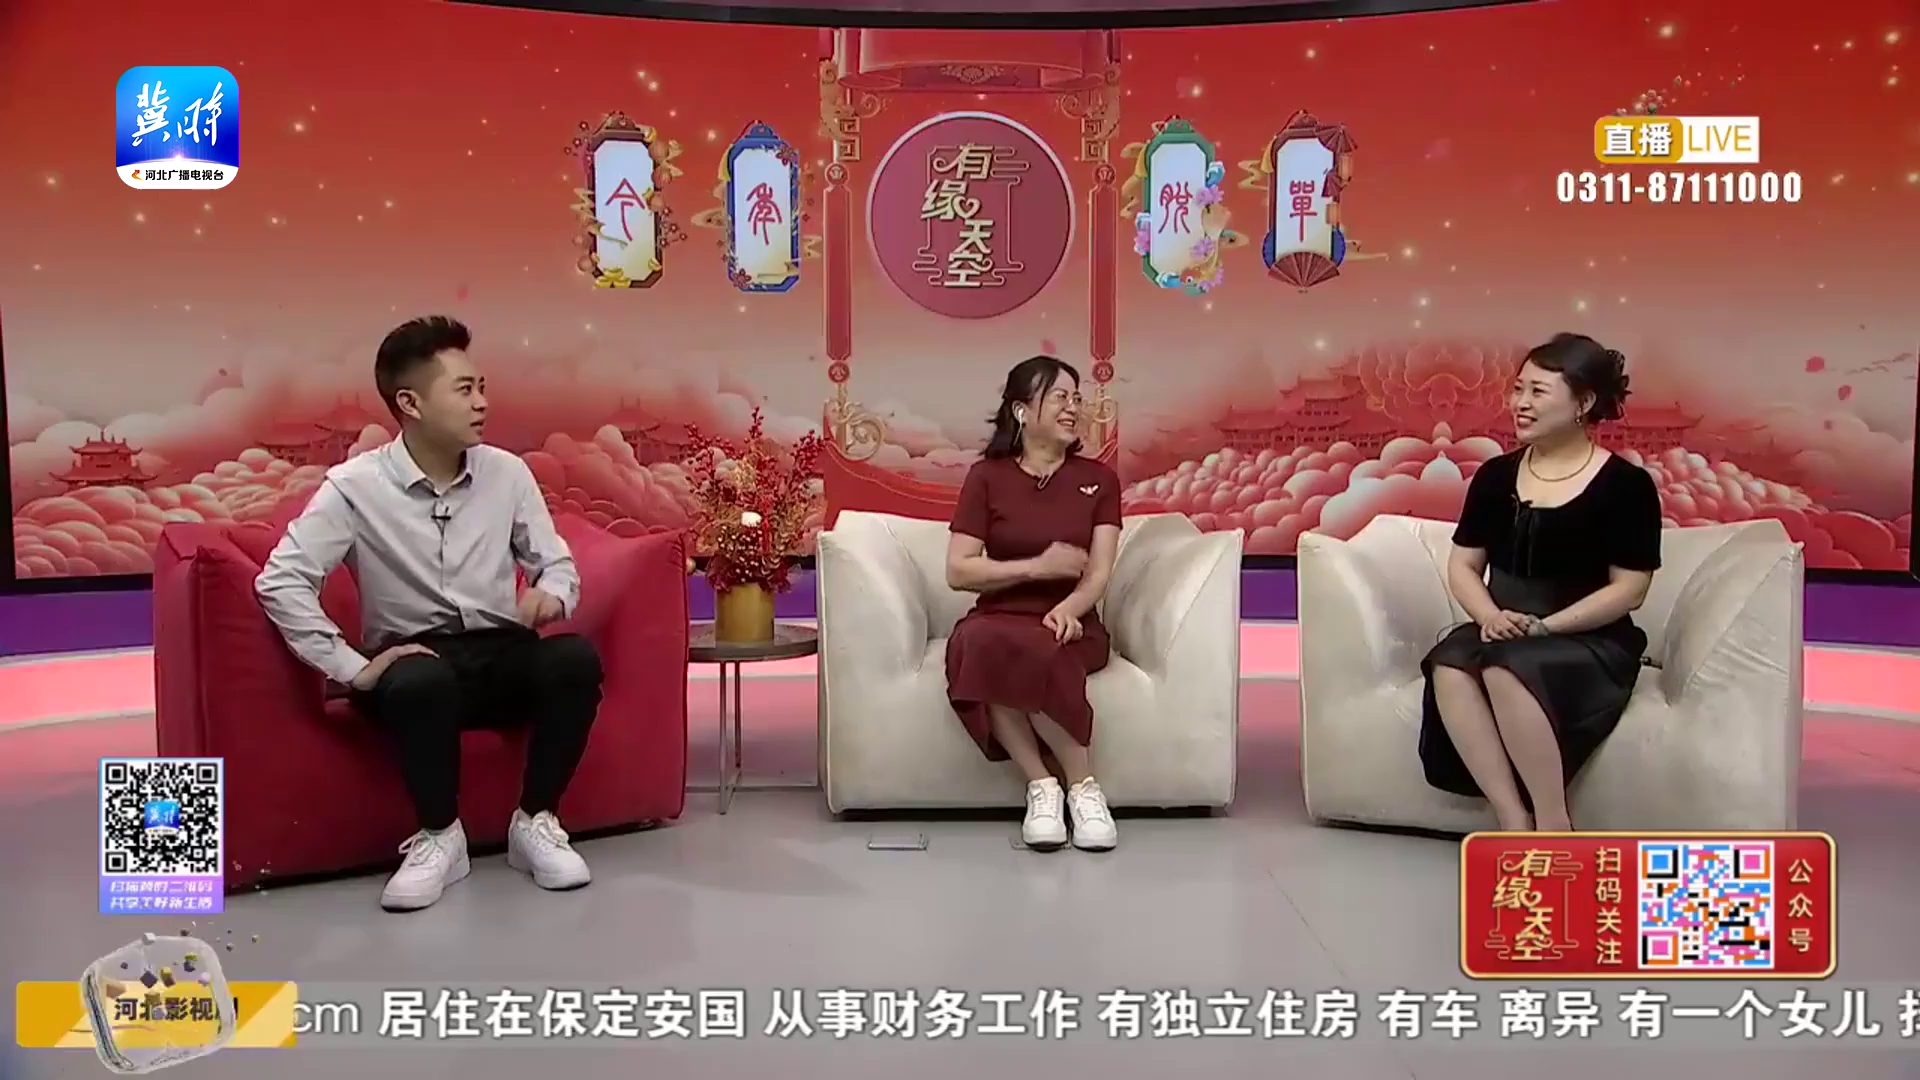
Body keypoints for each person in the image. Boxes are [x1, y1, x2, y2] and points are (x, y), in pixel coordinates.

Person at [255, 316, 604, 910]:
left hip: (500, 652)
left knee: (573, 660)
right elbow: (281, 581)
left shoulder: (507, 473)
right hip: (414, 667)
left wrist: (552, 595)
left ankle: (536, 823)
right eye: (465, 390)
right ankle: (441, 838)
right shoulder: (353, 487)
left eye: (482, 387)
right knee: (421, 680)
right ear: (410, 403)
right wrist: (351, 667)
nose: (482, 403)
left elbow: (557, 565)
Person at [1418, 333, 1663, 832]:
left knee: (1507, 667)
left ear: (1583, 403)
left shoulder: (1626, 486)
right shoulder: (1494, 477)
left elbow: (1630, 589)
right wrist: (1489, 617)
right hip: (1504, 626)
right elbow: (1463, 566)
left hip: (1587, 635)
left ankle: (1554, 822)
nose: (1520, 404)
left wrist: (1548, 627)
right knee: (1450, 663)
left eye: (1537, 392)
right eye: (1518, 389)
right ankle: (1512, 819)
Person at [945, 356, 1123, 852]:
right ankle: (1043, 786)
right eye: (1060, 397)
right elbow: (958, 570)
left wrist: (1071, 607)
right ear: (1022, 411)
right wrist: (1036, 568)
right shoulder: (986, 478)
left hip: (1072, 621)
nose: (1073, 408)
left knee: (1038, 646)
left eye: (1076, 398)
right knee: (982, 642)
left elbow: (1099, 571)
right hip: (1001, 614)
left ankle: (1084, 789)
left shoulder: (1099, 480)